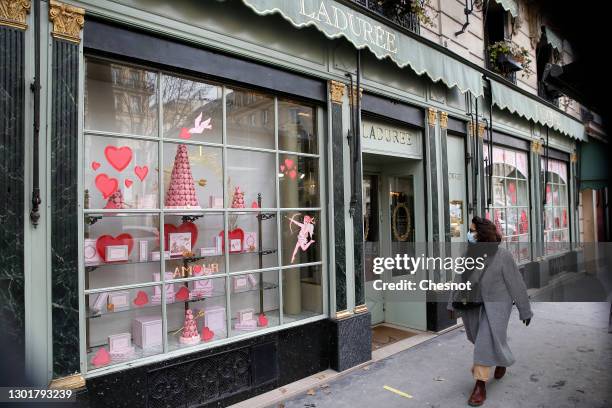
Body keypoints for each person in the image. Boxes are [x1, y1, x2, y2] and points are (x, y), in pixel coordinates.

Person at [448, 216, 533, 406]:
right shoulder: (467, 254)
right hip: (472, 306)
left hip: (496, 307)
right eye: (469, 230)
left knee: (484, 343)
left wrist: (524, 309)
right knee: (479, 339)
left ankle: (480, 386)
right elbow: (458, 281)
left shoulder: (503, 256)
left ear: (483, 234)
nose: (469, 234)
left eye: (473, 230)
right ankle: (501, 359)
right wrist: (450, 304)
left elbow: (516, 283)